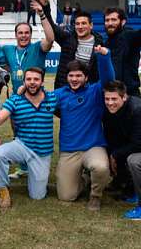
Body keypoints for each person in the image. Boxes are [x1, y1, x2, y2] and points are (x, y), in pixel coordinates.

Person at [51, 46, 114, 211]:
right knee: (66, 196)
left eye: (79, 75)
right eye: (71, 75)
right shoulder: (59, 93)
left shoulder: (95, 91)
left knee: (100, 167)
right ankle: (85, 179)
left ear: (86, 78)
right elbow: (40, 101)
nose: (74, 79)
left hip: (93, 146)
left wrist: (104, 57)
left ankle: (95, 196)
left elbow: (108, 79)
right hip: (69, 149)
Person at [0, 67, 58, 208]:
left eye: (36, 79)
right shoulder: (16, 100)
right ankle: (2, 189)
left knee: (37, 196)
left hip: (41, 153)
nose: (32, 82)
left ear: (42, 82)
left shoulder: (52, 98)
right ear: (24, 82)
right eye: (29, 79)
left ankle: (35, 176)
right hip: (22, 145)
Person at [39, 0, 103, 90]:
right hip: (66, 90)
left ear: (91, 25)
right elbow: (51, 26)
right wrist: (45, 6)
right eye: (77, 24)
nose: (80, 26)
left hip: (89, 92)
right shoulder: (67, 39)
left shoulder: (100, 43)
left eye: (83, 23)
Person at [102, 81, 141, 219]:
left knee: (134, 160)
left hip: (139, 145)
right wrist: (111, 153)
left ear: (124, 97)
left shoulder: (137, 109)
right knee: (120, 152)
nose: (110, 103)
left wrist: (114, 155)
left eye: (114, 99)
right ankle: (132, 191)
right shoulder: (109, 110)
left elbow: (137, 144)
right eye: (107, 99)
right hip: (134, 145)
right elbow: (112, 135)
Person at [3, 0, 54, 93]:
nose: (23, 35)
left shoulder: (37, 47)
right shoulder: (7, 49)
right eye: (20, 33)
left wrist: (42, 15)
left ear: (31, 34)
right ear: (15, 35)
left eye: (27, 33)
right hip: (16, 97)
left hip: (36, 97)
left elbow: (50, 39)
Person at [103, 7, 141, 97]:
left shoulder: (130, 35)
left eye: (114, 20)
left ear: (123, 22)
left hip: (130, 95)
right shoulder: (106, 42)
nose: (110, 23)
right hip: (111, 95)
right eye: (107, 20)